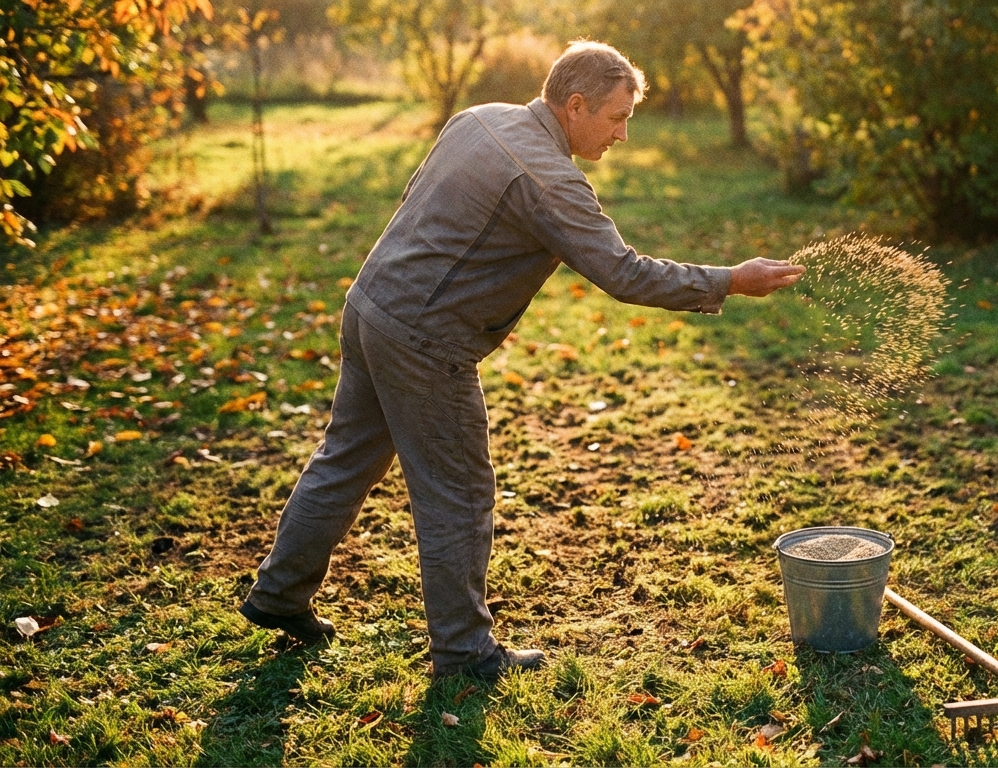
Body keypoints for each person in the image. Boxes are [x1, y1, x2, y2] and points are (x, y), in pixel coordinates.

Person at [237, 41, 804, 679]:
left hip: (371, 306)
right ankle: (464, 651)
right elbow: (623, 273)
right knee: (459, 492)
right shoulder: (549, 178)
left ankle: (279, 594)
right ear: (576, 103)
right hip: (426, 341)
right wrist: (730, 279)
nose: (621, 134)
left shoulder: (479, 117)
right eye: (616, 118)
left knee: (343, 459)